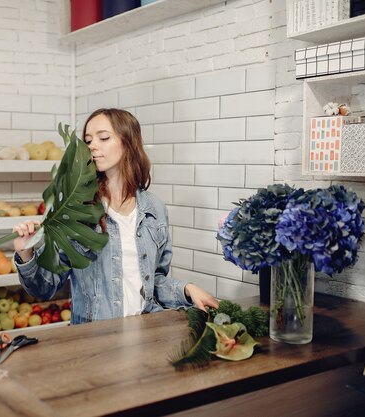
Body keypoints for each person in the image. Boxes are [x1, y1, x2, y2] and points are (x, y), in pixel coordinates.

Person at [12, 108, 218, 324]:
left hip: (147, 332)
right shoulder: (77, 209)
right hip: (96, 340)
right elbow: (44, 287)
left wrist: (186, 289)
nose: (92, 146)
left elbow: (152, 283)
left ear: (128, 142)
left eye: (103, 138)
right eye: (88, 140)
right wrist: (26, 254)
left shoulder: (154, 209)